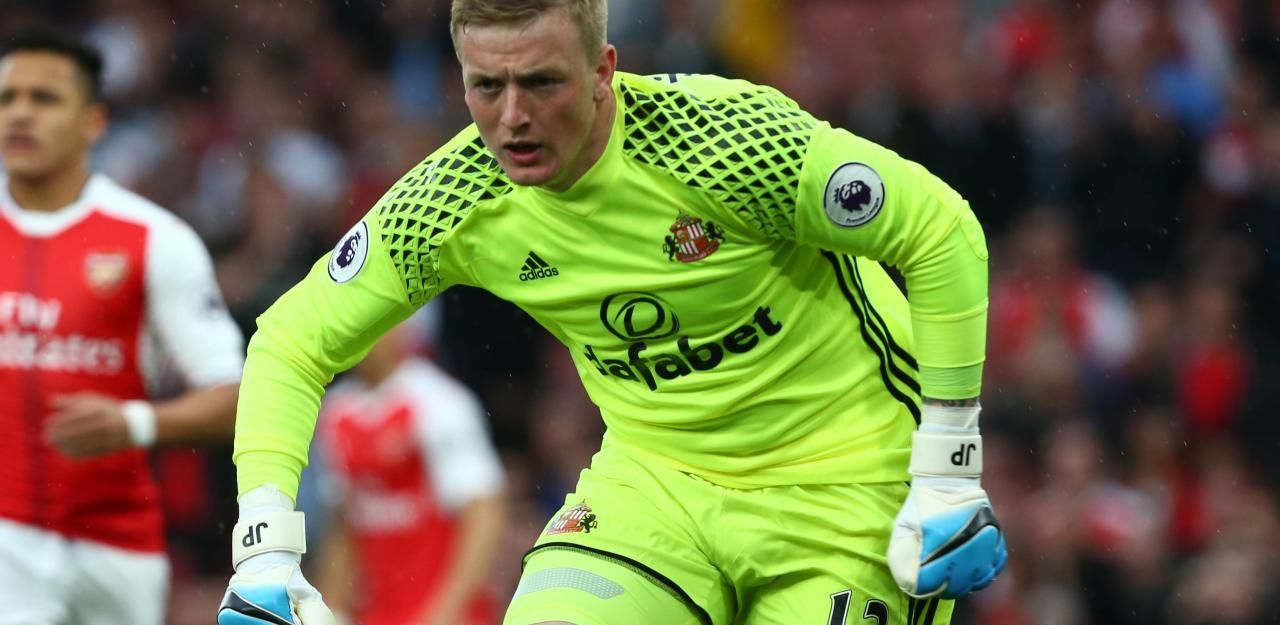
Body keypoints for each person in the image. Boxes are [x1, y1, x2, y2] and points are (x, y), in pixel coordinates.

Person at [218, 1, 1007, 624]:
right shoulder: (452, 200)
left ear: (604, 70)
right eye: (486, 87)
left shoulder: (726, 142)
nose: (512, 116)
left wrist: (948, 465)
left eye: (542, 83)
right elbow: (290, 341)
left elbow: (940, 231)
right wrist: (265, 546)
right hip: (658, 481)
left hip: (848, 479)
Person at [0, 27, 245, 625]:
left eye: (44, 98)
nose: (21, 114)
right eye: (7, 98)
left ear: (94, 122)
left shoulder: (155, 238)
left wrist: (136, 423)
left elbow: (238, 397)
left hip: (121, 550)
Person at [311, 317, 506, 625]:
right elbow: (344, 526)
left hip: (445, 613)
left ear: (401, 329)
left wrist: (445, 612)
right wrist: (332, 610)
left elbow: (485, 515)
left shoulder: (439, 402)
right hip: (376, 614)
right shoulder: (335, 413)